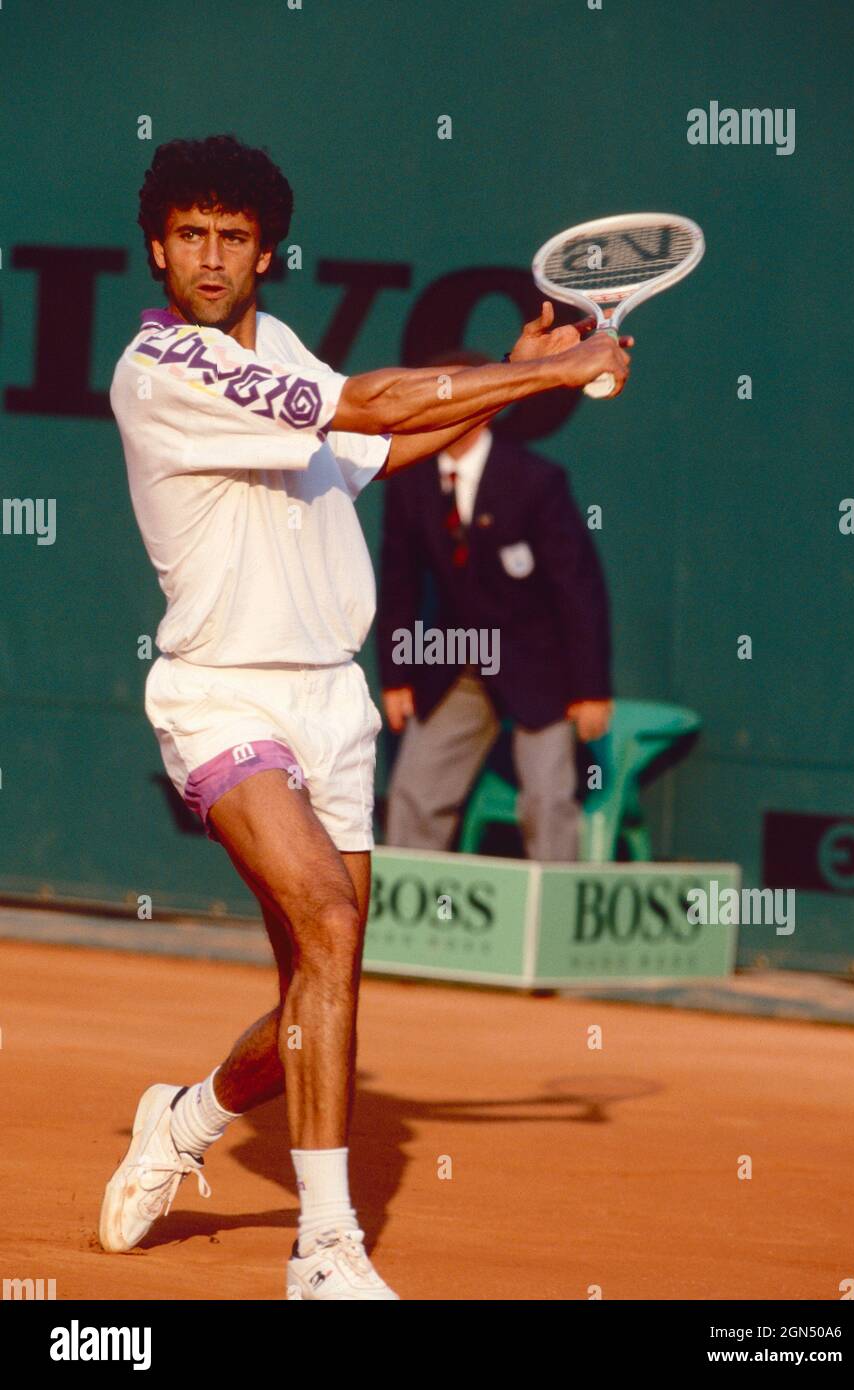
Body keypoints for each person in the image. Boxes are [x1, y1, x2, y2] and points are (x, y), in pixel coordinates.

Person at [101, 133, 632, 1300]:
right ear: (156, 244)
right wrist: (552, 371)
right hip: (222, 691)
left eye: (231, 238)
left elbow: (379, 444)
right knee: (333, 919)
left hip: (331, 697)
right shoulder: (161, 370)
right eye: (187, 234)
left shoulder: (278, 345)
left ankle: (182, 1118)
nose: (207, 257)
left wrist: (517, 366)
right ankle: (326, 1249)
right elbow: (372, 399)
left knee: (318, 973)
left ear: (265, 252)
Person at [379, 351, 613, 862]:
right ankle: (406, 933)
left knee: (548, 801)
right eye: (441, 394)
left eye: (460, 393)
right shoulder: (410, 478)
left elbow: (578, 588)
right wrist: (396, 677)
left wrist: (591, 689)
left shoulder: (534, 480)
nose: (449, 405)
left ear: (485, 405)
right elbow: (399, 581)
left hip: (539, 666)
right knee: (414, 795)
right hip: (455, 664)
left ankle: (551, 931)